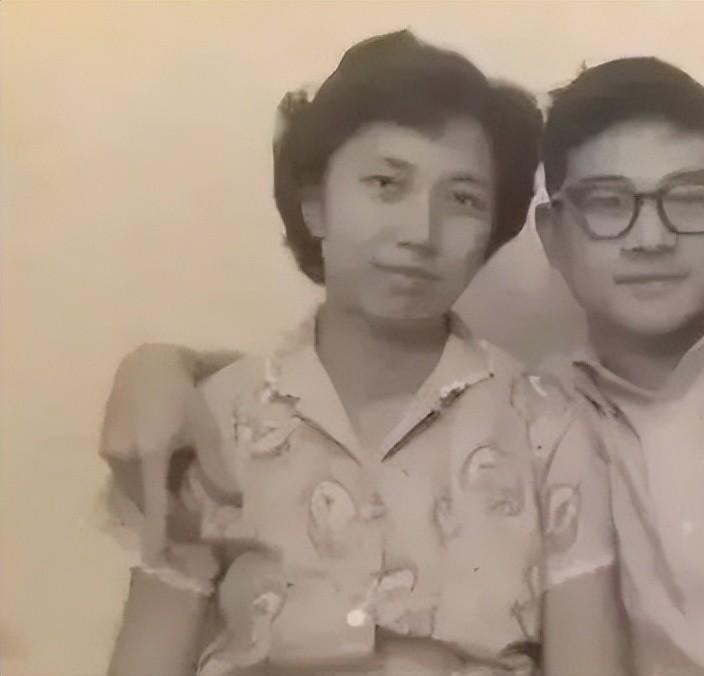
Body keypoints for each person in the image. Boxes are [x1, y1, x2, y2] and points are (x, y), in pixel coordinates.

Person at [101, 54, 704, 675]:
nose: (650, 236)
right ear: (553, 237)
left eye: (688, 198)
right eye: (609, 203)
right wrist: (164, 367)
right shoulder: (547, 416)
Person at [102, 30, 626, 676]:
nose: (420, 233)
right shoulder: (216, 419)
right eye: (385, 183)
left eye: (463, 199)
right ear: (315, 206)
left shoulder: (548, 428)